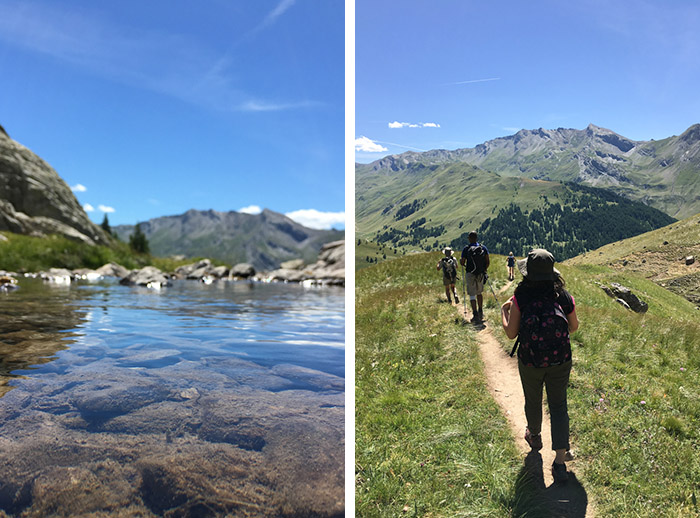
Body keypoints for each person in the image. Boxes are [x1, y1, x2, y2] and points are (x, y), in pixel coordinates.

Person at [500, 249, 579, 483]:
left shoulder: (521, 296)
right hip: (560, 360)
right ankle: (560, 462)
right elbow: (573, 327)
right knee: (559, 405)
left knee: (533, 400)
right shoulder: (563, 296)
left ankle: (534, 436)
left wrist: (504, 311)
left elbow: (511, 333)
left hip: (530, 360)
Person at [460, 231, 489, 322]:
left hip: (470, 273)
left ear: (469, 238)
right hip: (480, 273)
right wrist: (484, 269)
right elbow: (487, 261)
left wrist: (462, 261)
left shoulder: (466, 248)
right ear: (476, 238)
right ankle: (481, 310)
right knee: (479, 293)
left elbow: (462, 262)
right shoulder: (483, 248)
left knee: (472, 294)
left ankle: (475, 313)